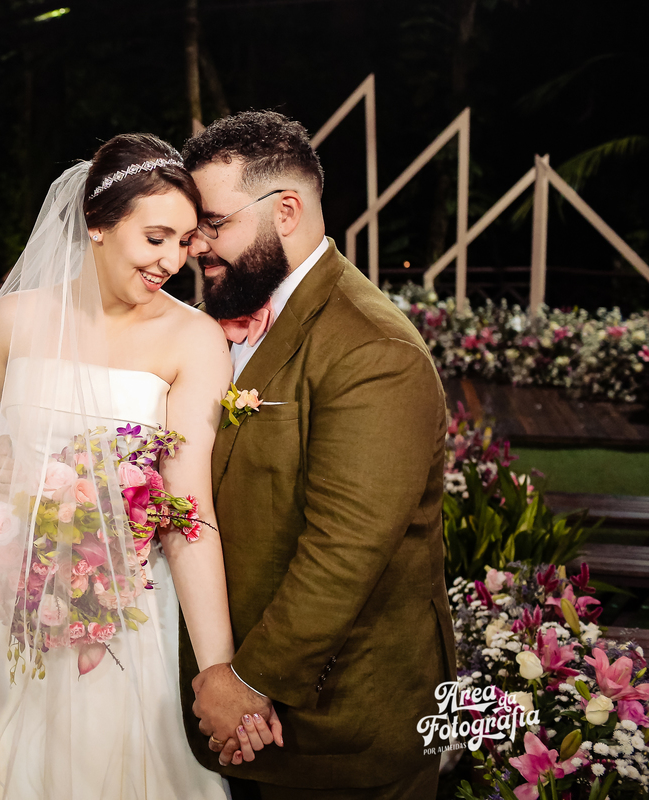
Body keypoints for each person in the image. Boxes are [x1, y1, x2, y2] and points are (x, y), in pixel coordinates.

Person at [0, 132, 278, 799]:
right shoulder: (16, 318)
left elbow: (190, 513)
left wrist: (219, 669)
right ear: (97, 224)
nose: (173, 261)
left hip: (121, 625)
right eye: (156, 238)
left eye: (184, 242)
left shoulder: (193, 340)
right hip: (4, 601)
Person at [179, 110, 455, 799]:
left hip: (342, 732)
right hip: (242, 724)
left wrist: (245, 683)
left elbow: (345, 550)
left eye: (212, 223)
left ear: (288, 211)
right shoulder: (222, 321)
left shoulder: (373, 349)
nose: (194, 247)